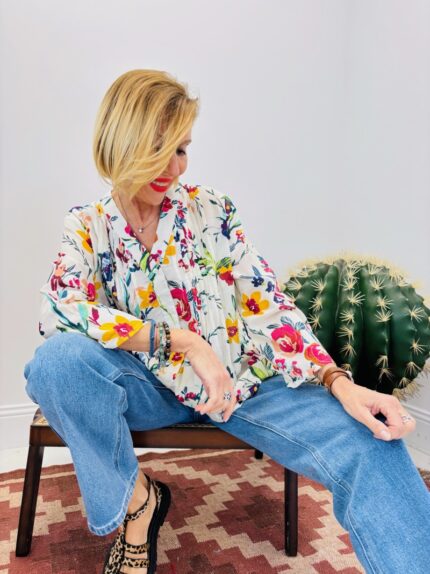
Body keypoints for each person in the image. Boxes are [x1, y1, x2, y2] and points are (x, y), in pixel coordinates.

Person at [23, 69, 430, 574]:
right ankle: (139, 505)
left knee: (374, 440)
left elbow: (268, 303)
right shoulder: (88, 224)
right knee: (56, 363)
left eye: (181, 148)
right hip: (148, 388)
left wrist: (338, 382)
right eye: (157, 147)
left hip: (244, 385)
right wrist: (183, 341)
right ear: (119, 141)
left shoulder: (212, 210)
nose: (172, 166)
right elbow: (58, 311)